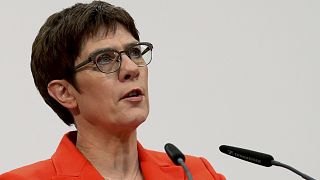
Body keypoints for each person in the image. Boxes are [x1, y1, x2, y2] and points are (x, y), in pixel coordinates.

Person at [0, 1, 225, 179]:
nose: (131, 68)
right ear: (65, 93)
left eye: (135, 52)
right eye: (105, 59)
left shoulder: (194, 173)